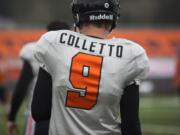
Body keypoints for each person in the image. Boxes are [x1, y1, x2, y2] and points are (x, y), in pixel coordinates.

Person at [31, 0, 149, 135]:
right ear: (113, 17)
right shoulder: (131, 54)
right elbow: (131, 125)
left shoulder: (54, 43)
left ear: (78, 15)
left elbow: (40, 112)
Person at [7, 20, 70, 135]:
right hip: (68, 119)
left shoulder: (34, 50)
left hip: (39, 116)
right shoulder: (74, 53)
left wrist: (12, 117)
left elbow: (22, 86)